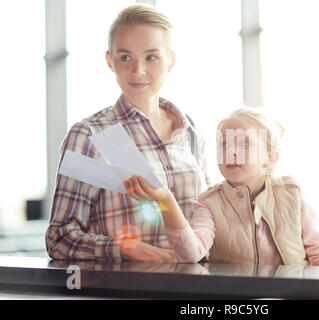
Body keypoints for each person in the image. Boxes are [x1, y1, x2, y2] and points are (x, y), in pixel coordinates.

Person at [45, 4, 209, 261]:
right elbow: (59, 238)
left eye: (151, 57)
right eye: (125, 57)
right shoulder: (88, 135)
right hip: (125, 290)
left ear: (171, 61)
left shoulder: (190, 132)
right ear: (110, 61)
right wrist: (122, 248)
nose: (138, 71)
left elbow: (206, 215)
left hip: (196, 289)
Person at [124, 107, 319, 266]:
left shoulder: (292, 193)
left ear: (269, 158)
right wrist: (165, 200)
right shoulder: (208, 202)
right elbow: (191, 253)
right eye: (224, 143)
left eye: (244, 143)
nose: (232, 151)